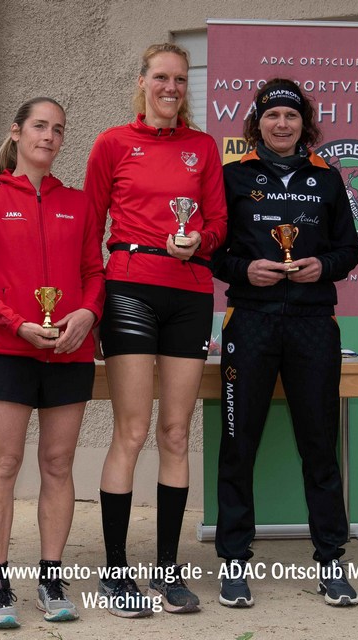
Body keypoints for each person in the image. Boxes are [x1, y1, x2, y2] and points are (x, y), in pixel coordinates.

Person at [84, 43, 227, 617]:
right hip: (130, 287)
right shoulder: (112, 143)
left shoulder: (203, 147)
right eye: (162, 77)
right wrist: (91, 302)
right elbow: (90, 227)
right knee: (132, 429)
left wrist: (201, 241)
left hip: (190, 292)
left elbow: (218, 222)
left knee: (175, 432)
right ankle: (116, 572)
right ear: (142, 81)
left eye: (180, 79)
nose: (171, 87)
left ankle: (168, 570)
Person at [0, 97, 105, 629]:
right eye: (40, 126)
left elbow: (95, 271)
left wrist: (87, 313)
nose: (49, 137)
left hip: (69, 351)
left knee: (58, 464)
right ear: (17, 132)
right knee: (4, 463)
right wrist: (15, 323)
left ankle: (51, 578)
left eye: (58, 129)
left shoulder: (78, 203)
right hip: (8, 350)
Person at [212, 78, 358, 608]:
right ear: (258, 123)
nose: (282, 124)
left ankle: (331, 561)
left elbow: (350, 249)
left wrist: (325, 265)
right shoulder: (232, 176)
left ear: (304, 124)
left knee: (319, 446)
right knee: (238, 445)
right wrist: (244, 269)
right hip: (249, 322)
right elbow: (214, 251)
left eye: (291, 116)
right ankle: (234, 562)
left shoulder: (328, 178)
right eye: (272, 115)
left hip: (313, 323)